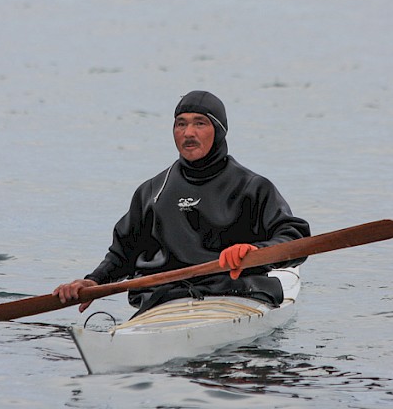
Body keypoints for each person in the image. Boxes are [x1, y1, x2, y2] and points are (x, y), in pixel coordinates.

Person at [53, 90, 310, 316]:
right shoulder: (152, 191)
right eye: (181, 124)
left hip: (236, 295)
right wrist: (94, 281)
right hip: (164, 301)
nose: (188, 133)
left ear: (219, 131)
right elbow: (124, 253)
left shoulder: (251, 187)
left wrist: (256, 251)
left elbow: (294, 237)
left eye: (200, 123)